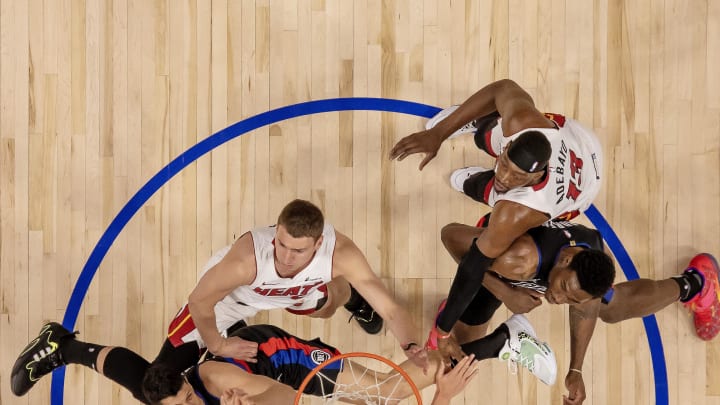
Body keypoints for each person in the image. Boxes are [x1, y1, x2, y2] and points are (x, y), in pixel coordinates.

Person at [10, 199, 428, 403]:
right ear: (275, 232)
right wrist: (219, 342)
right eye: (279, 244)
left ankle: (347, 295)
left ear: (317, 244)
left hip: (285, 300)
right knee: (154, 387)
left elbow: (392, 309)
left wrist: (411, 345)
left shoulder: (341, 254)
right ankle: (61, 346)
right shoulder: (247, 261)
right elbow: (199, 301)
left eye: (296, 251)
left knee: (324, 302)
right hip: (223, 307)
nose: (284, 256)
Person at [388, 79, 605, 383]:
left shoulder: (523, 212)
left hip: (581, 183)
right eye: (503, 163)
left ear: (537, 175)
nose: (503, 175)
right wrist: (438, 134)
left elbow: (476, 262)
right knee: (486, 141)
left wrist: (576, 368)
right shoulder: (522, 125)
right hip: (575, 141)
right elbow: (500, 88)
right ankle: (483, 133)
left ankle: (476, 182)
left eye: (516, 175)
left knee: (496, 197)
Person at [436, 216, 720, 405]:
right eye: (561, 287)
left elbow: (585, 311)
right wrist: (506, 292)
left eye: (570, 298)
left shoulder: (589, 266)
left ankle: (696, 283)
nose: (557, 298)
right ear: (566, 258)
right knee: (458, 345)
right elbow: (450, 236)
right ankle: (499, 331)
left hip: (532, 274)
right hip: (495, 260)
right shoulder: (519, 258)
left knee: (610, 308)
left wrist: (576, 369)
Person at [13, 317, 554, 405]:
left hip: (284, 359)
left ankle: (504, 340)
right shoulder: (178, 389)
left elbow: (283, 394)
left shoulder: (213, 382)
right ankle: (65, 346)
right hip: (236, 365)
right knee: (143, 383)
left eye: (179, 400)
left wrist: (442, 397)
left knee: (385, 391)